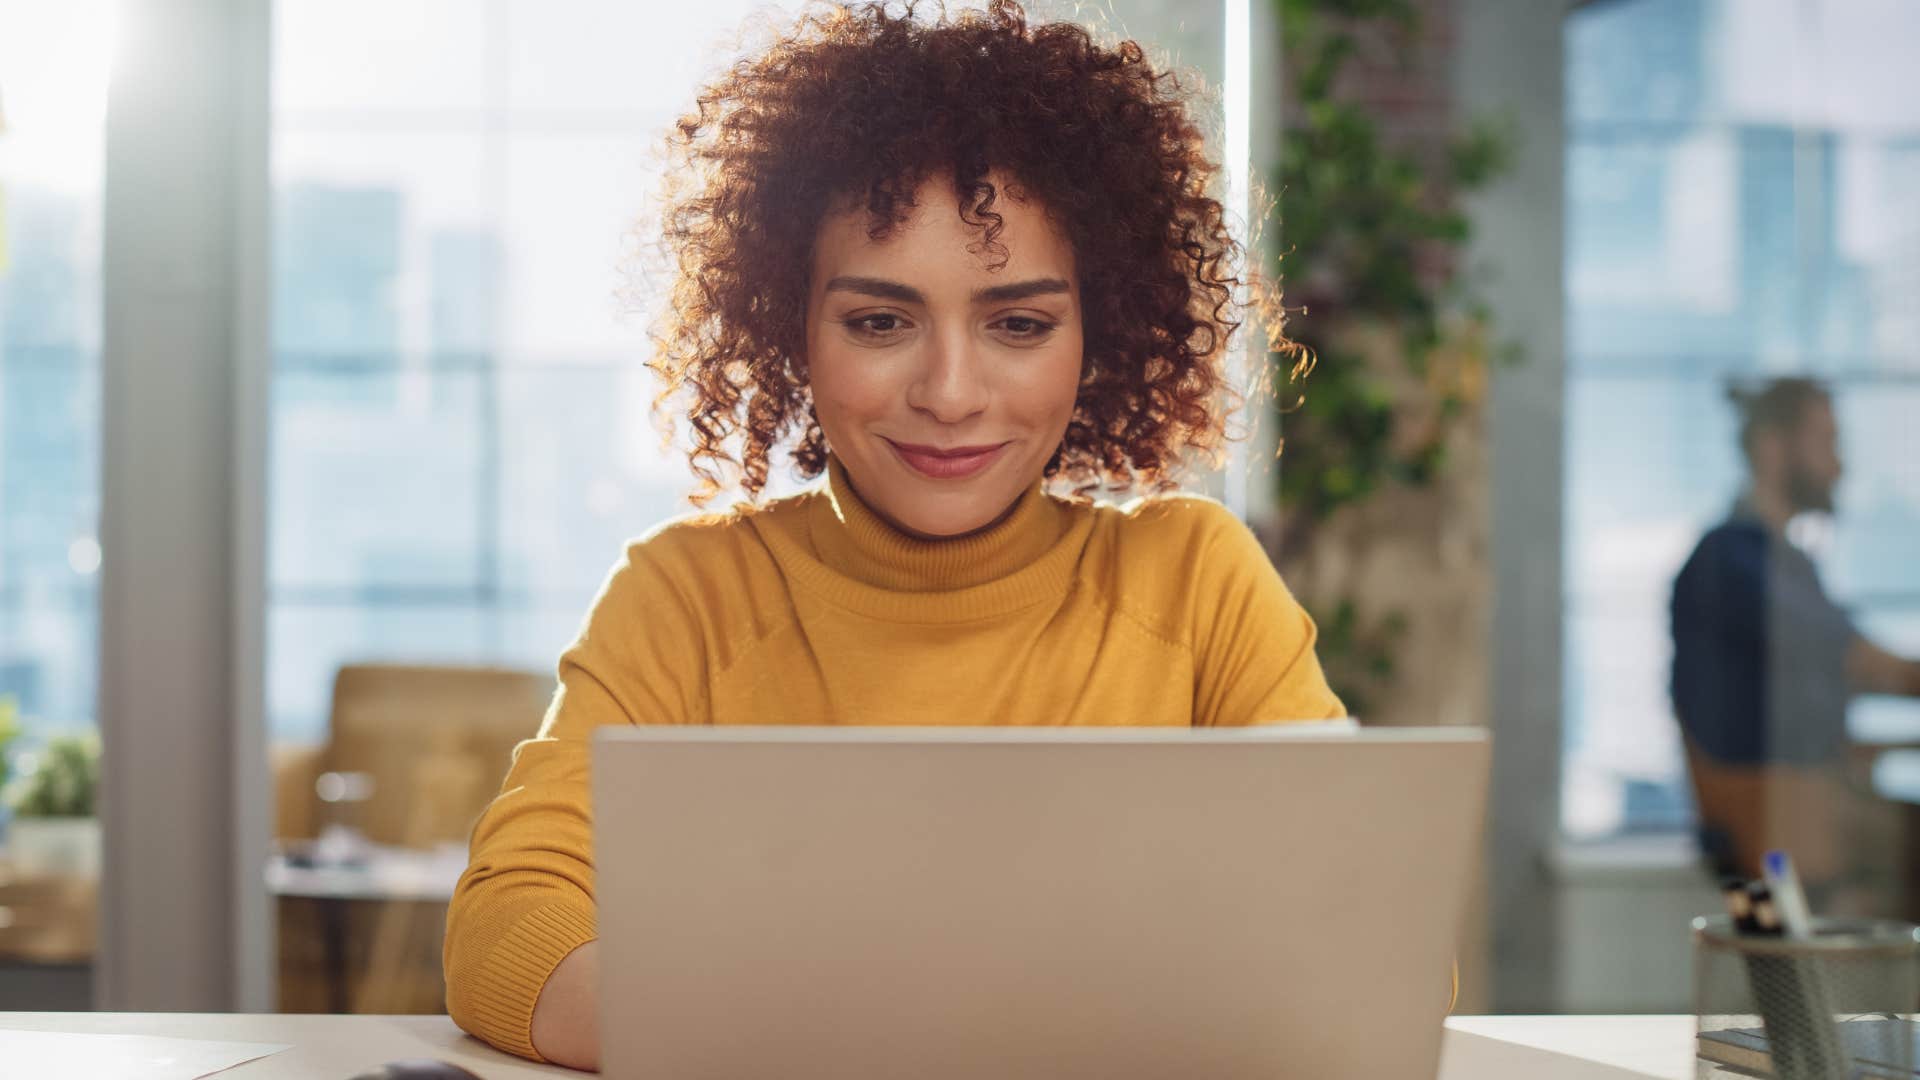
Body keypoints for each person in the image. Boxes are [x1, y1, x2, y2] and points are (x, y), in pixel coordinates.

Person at [443, 2, 1346, 1068]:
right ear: (791, 329)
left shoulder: (1195, 583)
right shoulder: (688, 596)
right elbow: (509, 930)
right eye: (880, 322)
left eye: (1019, 323)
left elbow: (1357, 944)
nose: (952, 394)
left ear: (1100, 333)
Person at [1670, 378, 1920, 894]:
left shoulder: (1788, 564)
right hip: (1783, 818)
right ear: (1772, 447)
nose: (1840, 465)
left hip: (1812, 800)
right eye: (1826, 441)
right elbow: (1857, 661)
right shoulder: (1733, 560)